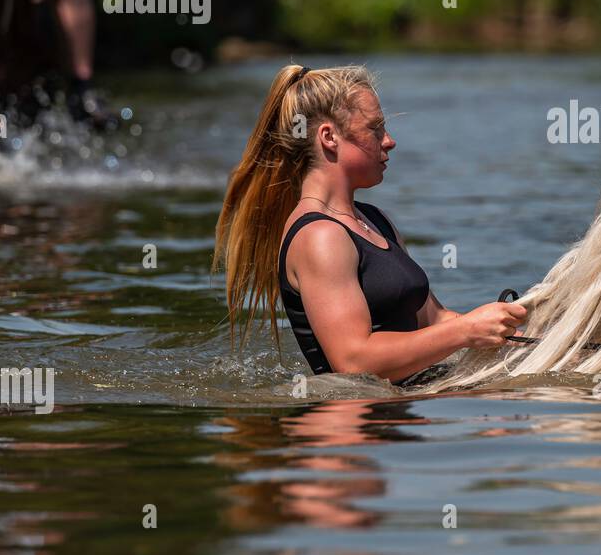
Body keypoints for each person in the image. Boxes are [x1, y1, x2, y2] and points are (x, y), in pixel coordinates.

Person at [213, 65, 528, 385]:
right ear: (329, 137)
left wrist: (522, 333)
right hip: (359, 429)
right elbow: (353, 361)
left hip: (407, 413)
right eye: (375, 128)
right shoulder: (319, 237)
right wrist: (465, 331)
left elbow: (435, 320)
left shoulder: (376, 221)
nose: (389, 141)